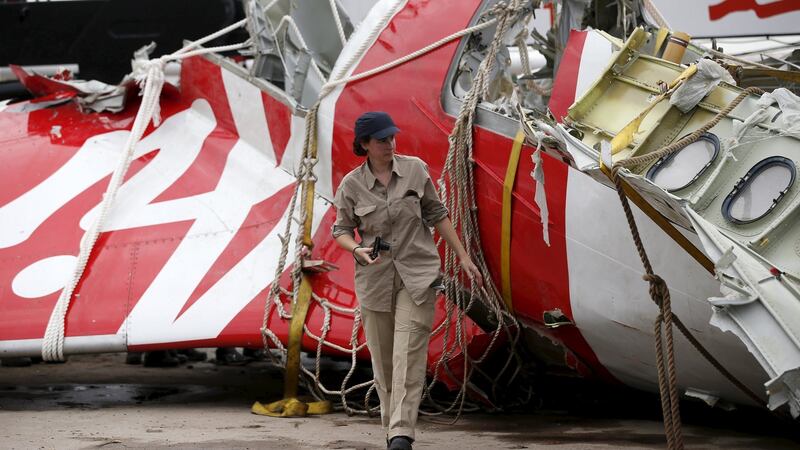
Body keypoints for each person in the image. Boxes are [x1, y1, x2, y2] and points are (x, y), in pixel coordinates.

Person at [332, 111, 482, 450]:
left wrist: (462, 254)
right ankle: (392, 430)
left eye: (392, 137)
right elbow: (340, 230)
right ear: (365, 145)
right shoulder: (351, 185)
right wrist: (357, 249)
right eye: (382, 140)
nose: (390, 144)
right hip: (376, 281)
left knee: (409, 356)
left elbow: (437, 213)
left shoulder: (415, 169)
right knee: (384, 364)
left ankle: (402, 433)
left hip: (418, 276)